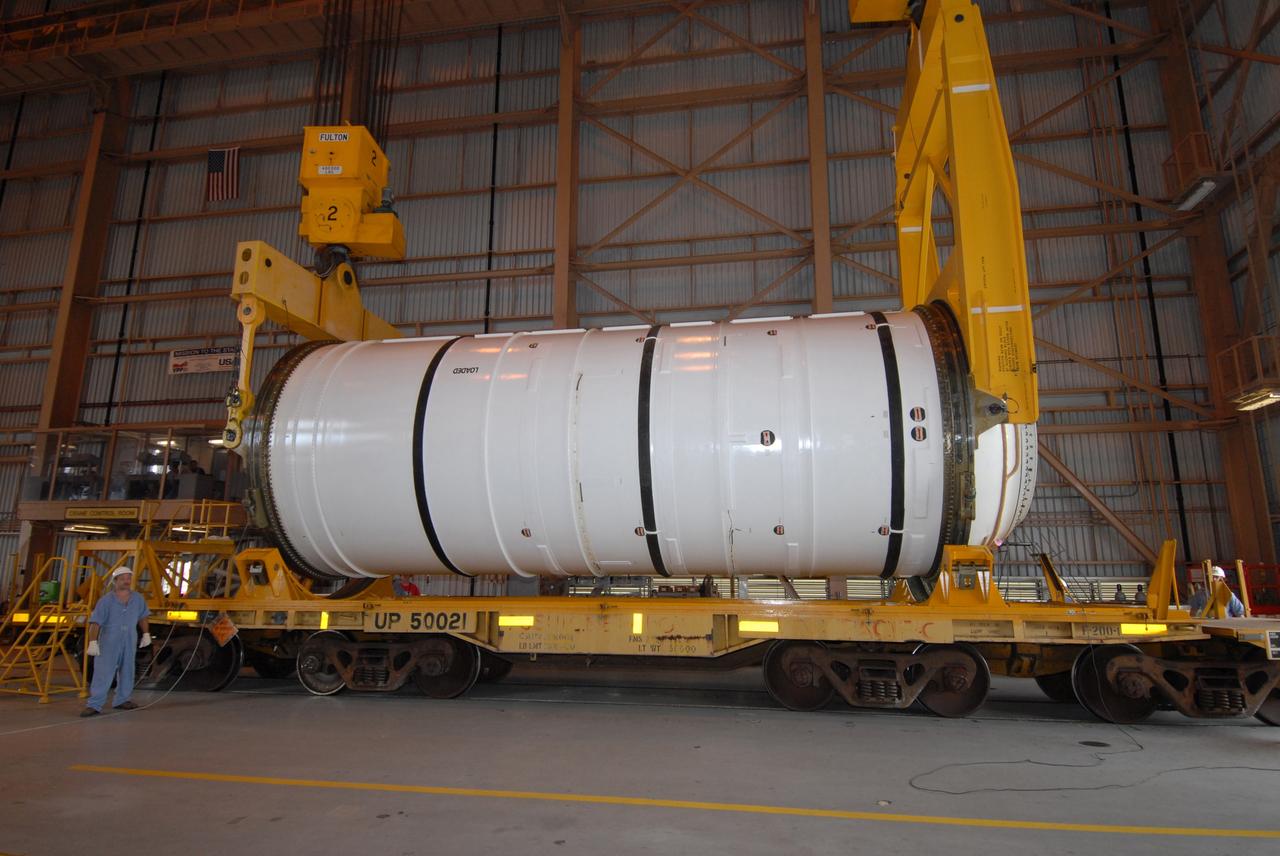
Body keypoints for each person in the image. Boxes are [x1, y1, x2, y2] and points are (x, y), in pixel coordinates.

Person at [81, 566, 151, 717]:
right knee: (103, 672)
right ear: (115, 581)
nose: (126, 581)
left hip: (129, 640)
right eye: (123, 578)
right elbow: (95, 622)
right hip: (109, 642)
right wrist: (93, 642)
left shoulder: (138, 599)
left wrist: (146, 634)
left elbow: (143, 617)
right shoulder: (106, 601)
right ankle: (94, 704)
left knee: (128, 670)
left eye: (128, 578)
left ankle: (122, 700)